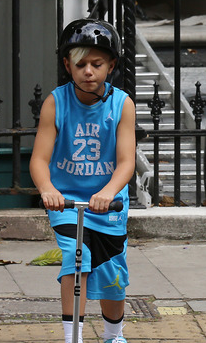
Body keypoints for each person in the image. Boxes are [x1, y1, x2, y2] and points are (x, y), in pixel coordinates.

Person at [30, 18, 136, 343]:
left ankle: (113, 335)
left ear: (111, 65)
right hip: (66, 201)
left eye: (96, 64)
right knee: (77, 260)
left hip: (108, 202)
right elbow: (39, 159)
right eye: (80, 64)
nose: (88, 71)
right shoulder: (55, 102)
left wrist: (107, 192)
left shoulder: (122, 105)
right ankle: (71, 337)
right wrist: (48, 189)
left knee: (112, 277)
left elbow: (126, 162)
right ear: (67, 65)